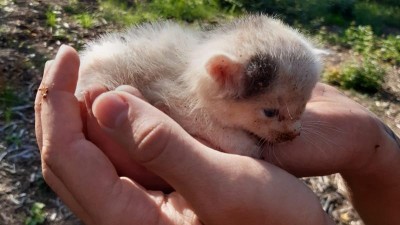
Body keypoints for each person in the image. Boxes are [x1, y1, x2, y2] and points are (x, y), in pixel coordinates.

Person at [35, 45, 400, 225]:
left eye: (301, 110)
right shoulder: (201, 86)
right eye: (273, 114)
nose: (295, 131)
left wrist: (373, 147)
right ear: (224, 77)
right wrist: (376, 155)